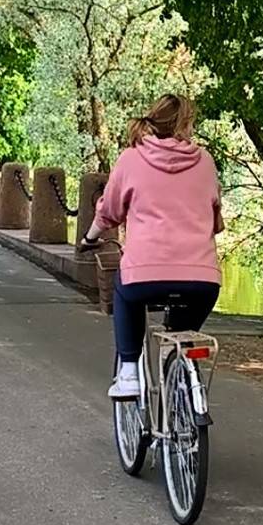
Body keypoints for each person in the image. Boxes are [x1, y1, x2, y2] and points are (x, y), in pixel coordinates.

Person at [79, 94, 224, 400]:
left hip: (144, 277)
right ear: (186, 124)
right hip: (202, 281)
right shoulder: (205, 161)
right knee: (183, 334)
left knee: (124, 291)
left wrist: (89, 238)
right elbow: (215, 219)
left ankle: (129, 372)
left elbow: (109, 212)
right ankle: (183, 373)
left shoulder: (131, 158)